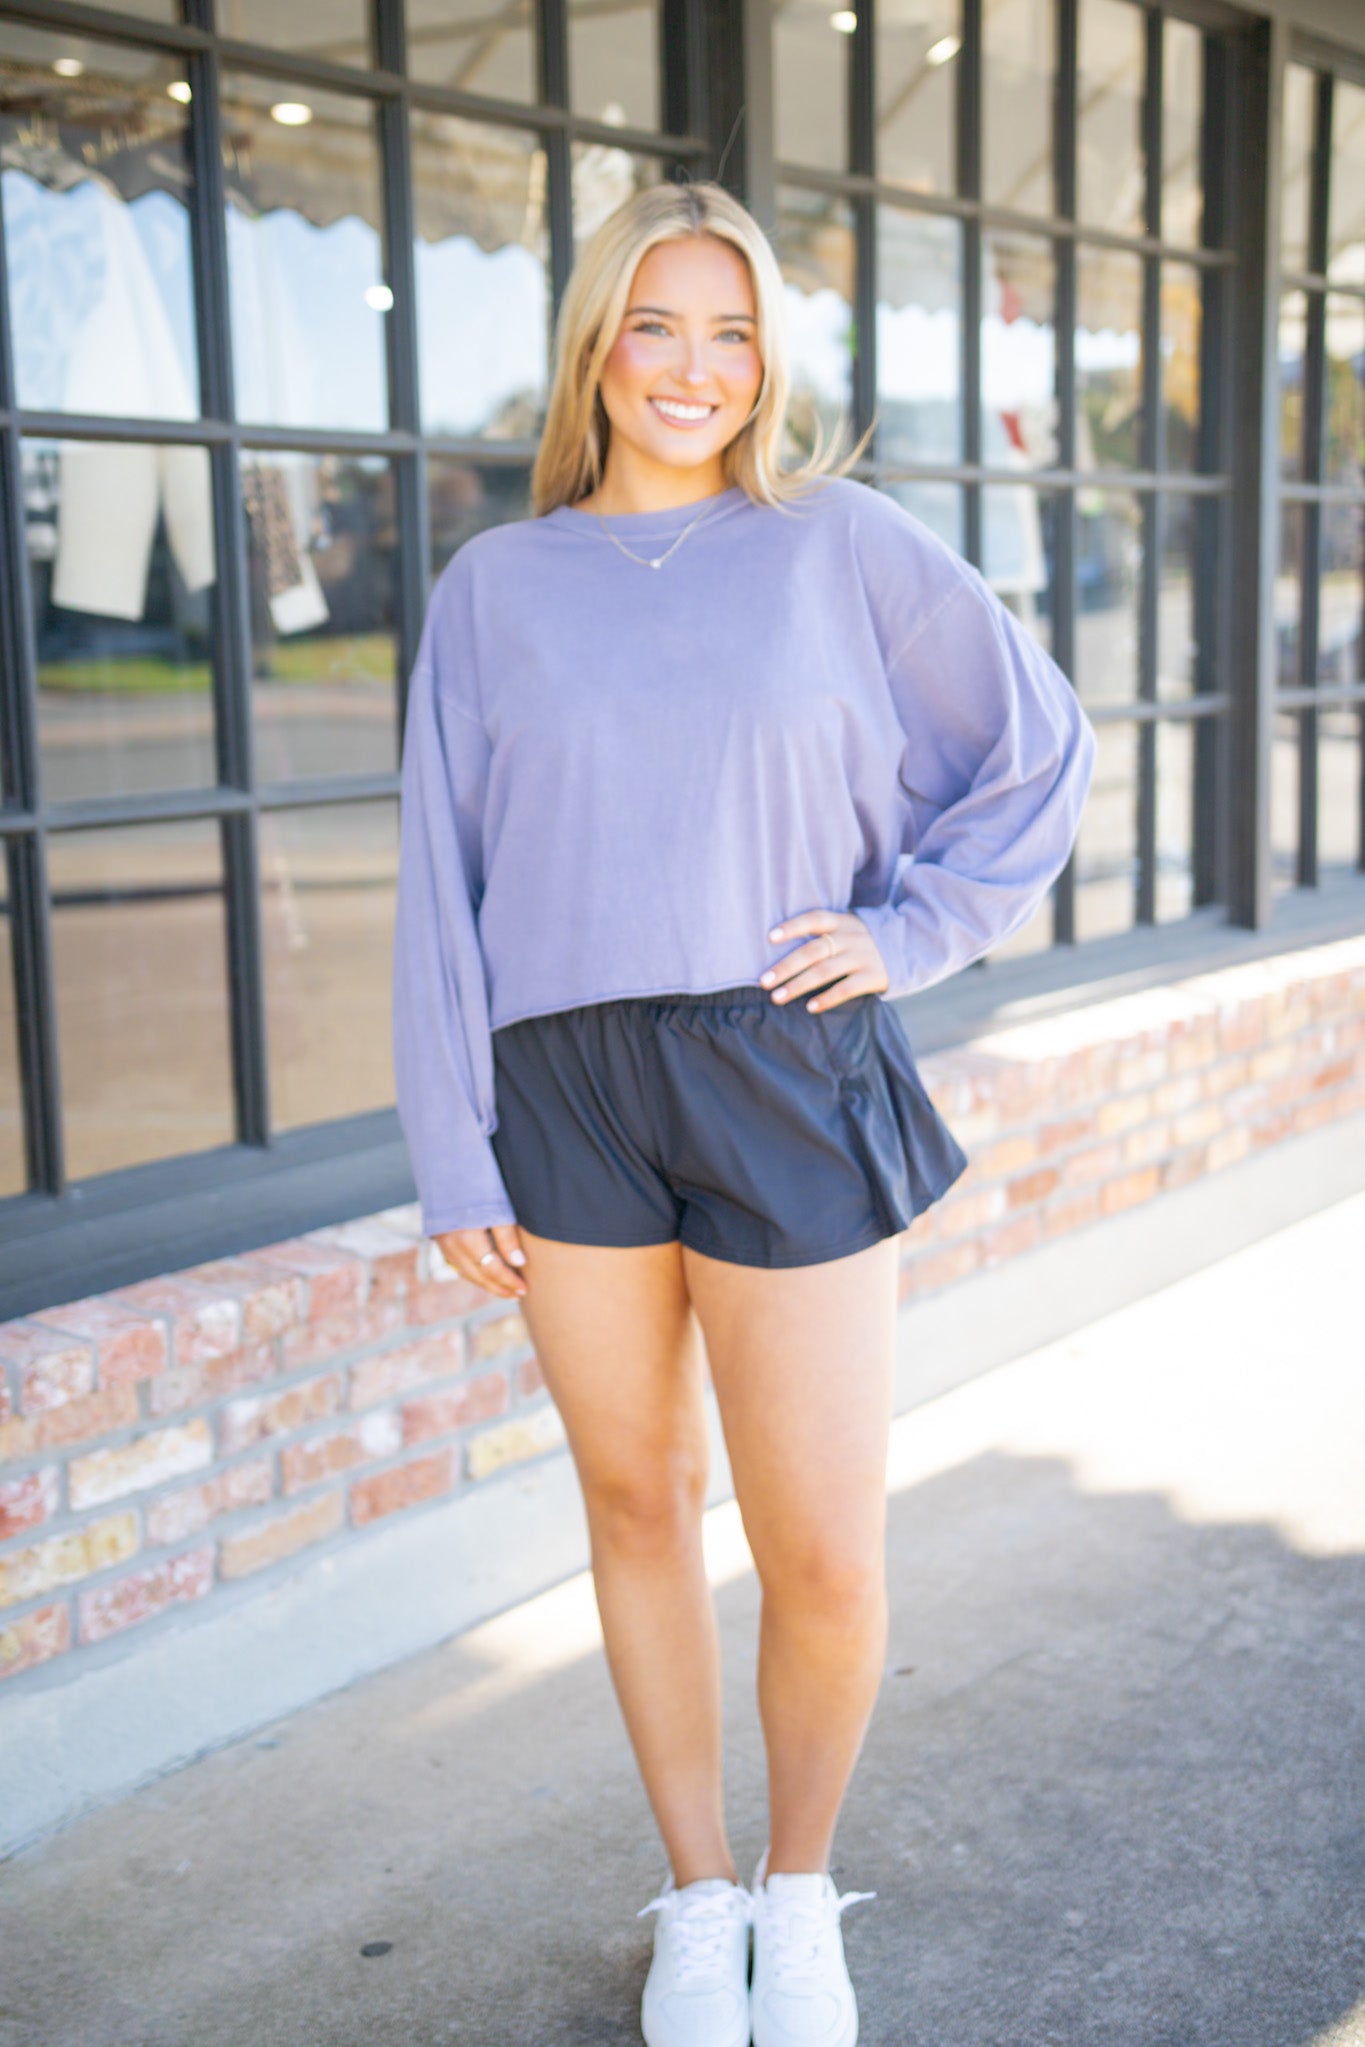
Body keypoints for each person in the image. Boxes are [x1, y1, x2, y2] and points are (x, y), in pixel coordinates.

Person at [392, 177, 1096, 2047]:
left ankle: (801, 1890)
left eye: (731, 333)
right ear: (595, 349)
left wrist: (909, 931)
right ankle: (697, 1898)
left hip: (780, 1060)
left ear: (767, 360)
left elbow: (1036, 748)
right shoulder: (494, 587)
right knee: (638, 1500)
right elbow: (439, 885)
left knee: (824, 1545)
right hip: (562, 1088)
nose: (691, 368)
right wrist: (452, 1148)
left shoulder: (836, 544)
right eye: (655, 325)